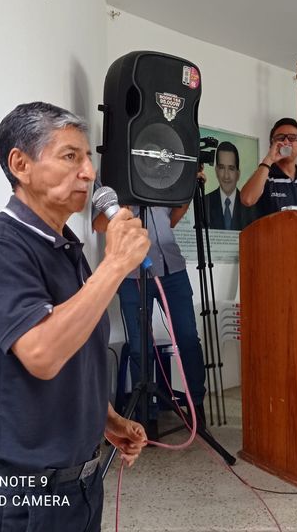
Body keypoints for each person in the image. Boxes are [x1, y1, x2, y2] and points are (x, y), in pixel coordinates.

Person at [0, 102, 149, 532]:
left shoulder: (66, 247)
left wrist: (105, 418)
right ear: (20, 164)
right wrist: (116, 265)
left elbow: (75, 345)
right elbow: (42, 353)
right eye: (70, 156)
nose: (89, 173)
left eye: (88, 158)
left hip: (81, 484)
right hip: (23, 499)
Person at [92, 184, 207, 439]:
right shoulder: (111, 175)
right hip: (132, 274)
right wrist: (125, 201)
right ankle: (147, 415)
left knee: (188, 339)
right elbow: (98, 225)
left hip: (172, 268)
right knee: (139, 347)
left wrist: (187, 188)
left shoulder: (163, 171)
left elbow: (171, 220)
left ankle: (196, 406)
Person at [240, 117, 297, 214]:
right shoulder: (264, 177)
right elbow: (247, 200)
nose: (286, 142)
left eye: (292, 138)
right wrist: (269, 159)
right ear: (271, 147)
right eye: (280, 138)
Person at [204, 141, 256, 230]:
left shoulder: (251, 207)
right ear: (216, 171)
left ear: (238, 174)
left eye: (231, 168)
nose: (226, 176)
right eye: (221, 168)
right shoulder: (204, 203)